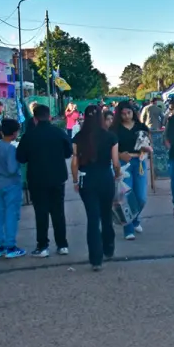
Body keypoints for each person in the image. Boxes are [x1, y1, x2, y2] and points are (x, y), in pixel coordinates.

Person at [16, 104, 72, 257]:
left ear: (35, 118)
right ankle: (62, 244)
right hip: (57, 177)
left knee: (41, 212)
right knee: (58, 211)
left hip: (37, 179)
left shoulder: (29, 136)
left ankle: (43, 246)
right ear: (49, 117)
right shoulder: (59, 133)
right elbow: (68, 153)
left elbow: (20, 158)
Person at [71, 105, 121, 271]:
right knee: (106, 215)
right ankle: (108, 247)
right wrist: (117, 175)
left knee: (92, 218)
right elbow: (115, 162)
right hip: (105, 177)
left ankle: (95, 259)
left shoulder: (79, 137)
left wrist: (75, 181)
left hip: (87, 179)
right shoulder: (110, 137)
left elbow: (74, 163)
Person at [111, 101, 152, 241]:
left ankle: (135, 219)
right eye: (123, 114)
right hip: (124, 163)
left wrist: (146, 150)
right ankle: (127, 228)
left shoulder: (141, 127)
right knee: (126, 196)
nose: (126, 116)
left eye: (129, 113)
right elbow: (110, 148)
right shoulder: (115, 129)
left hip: (139, 162)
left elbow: (149, 143)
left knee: (141, 197)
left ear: (133, 112)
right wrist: (119, 156)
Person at [0, 118, 26, 259]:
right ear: (14, 133)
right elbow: (12, 169)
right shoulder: (11, 149)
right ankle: (10, 246)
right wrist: (18, 163)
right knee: (11, 214)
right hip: (11, 183)